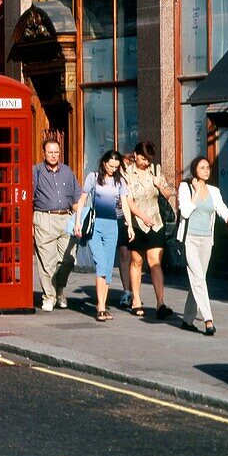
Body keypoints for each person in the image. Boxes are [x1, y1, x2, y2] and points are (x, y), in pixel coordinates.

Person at [178, 156, 228, 335]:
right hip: (189, 239)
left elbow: (221, 208)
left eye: (208, 168)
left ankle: (187, 319)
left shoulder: (213, 190)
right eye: (203, 167)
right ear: (195, 170)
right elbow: (185, 212)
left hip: (206, 240)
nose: (207, 170)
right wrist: (196, 192)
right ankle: (208, 320)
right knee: (199, 279)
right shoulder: (185, 187)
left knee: (197, 281)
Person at [75, 149, 135, 322]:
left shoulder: (120, 181)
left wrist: (129, 226)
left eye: (116, 166)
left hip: (112, 226)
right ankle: (100, 306)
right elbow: (81, 200)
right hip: (95, 225)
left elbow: (124, 205)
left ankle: (103, 304)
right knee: (101, 263)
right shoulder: (93, 177)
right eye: (110, 165)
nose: (113, 169)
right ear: (103, 163)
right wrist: (78, 222)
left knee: (108, 267)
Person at [122, 140, 176, 319]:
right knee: (136, 261)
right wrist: (141, 217)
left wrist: (160, 185)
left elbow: (168, 193)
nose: (146, 162)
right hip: (137, 223)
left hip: (156, 222)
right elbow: (128, 201)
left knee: (155, 262)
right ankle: (136, 300)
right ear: (136, 155)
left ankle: (160, 303)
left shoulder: (155, 170)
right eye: (143, 158)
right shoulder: (127, 173)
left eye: (148, 159)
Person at [32, 138, 83, 312]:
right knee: (47, 262)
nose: (53, 156)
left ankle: (59, 288)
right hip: (44, 217)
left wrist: (79, 218)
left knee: (68, 259)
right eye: (50, 152)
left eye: (56, 152)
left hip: (66, 218)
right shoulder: (36, 171)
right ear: (43, 153)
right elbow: (27, 199)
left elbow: (76, 198)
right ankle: (49, 296)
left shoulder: (67, 172)